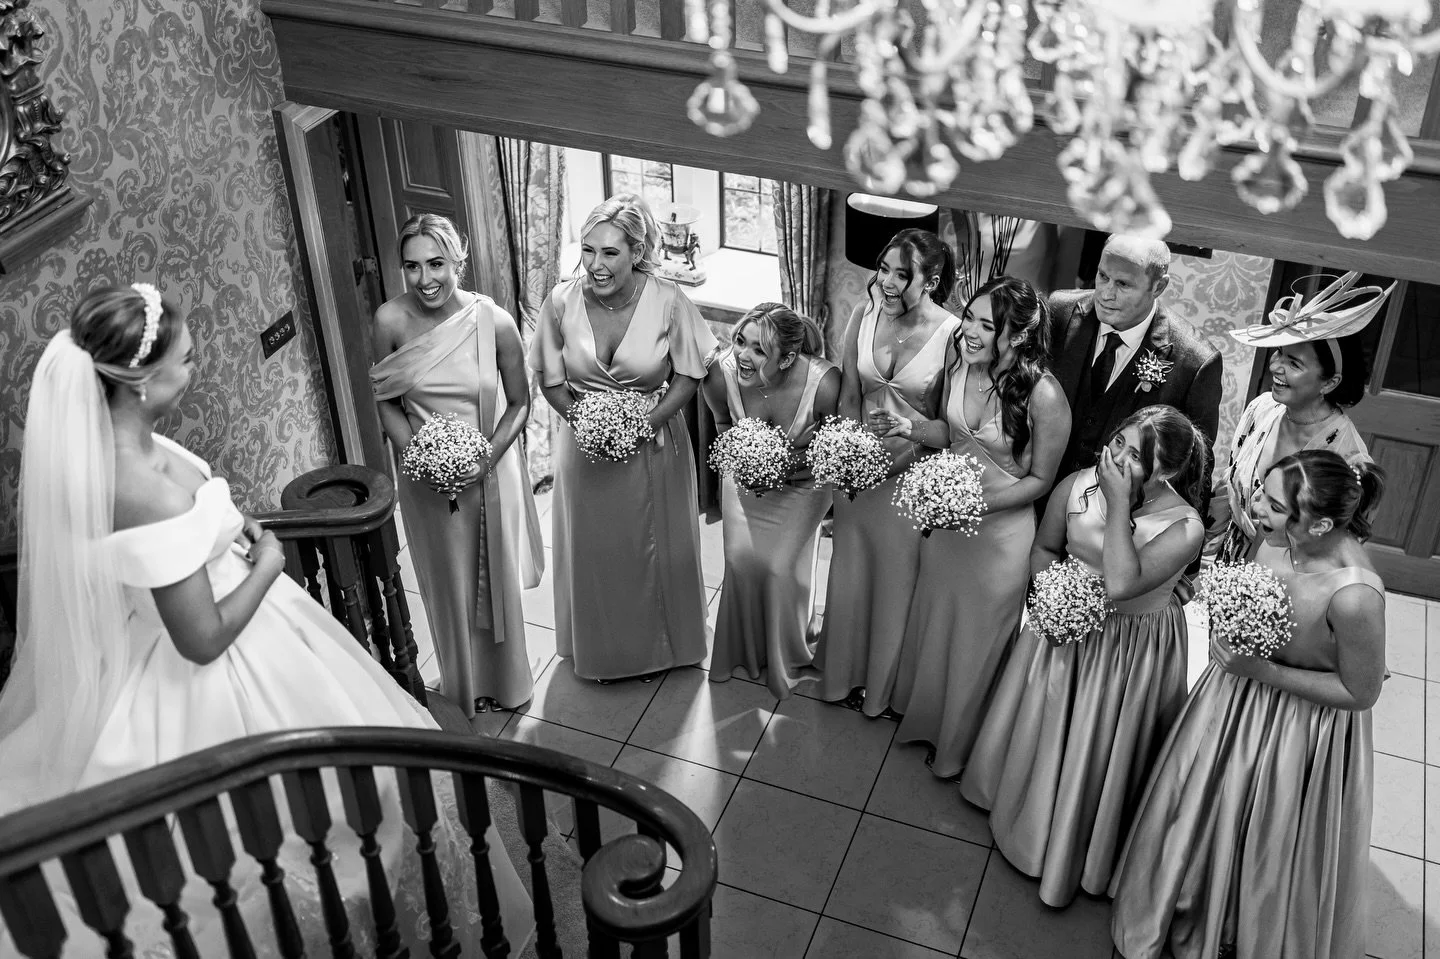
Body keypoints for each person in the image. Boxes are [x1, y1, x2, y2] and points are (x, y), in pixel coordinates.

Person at [0, 284, 534, 956]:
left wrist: (234, 524)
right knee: (328, 818)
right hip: (226, 670)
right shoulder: (138, 488)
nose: (194, 371)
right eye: (185, 362)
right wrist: (268, 560)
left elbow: (191, 521)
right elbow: (201, 637)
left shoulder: (129, 444)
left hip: (258, 624)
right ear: (138, 381)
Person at [1110, 450, 1387, 959]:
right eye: (1261, 490)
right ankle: (1190, 903)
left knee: (1265, 834)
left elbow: (1361, 693)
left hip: (1297, 730)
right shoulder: (1278, 539)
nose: (1255, 507)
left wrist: (1265, 672)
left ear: (1321, 522)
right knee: (1204, 809)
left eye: (1273, 505)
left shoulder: (1355, 596)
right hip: (1232, 697)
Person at [960, 406, 1206, 907]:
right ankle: (1025, 816)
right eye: (1117, 440)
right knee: (1046, 727)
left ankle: (1083, 849)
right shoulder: (1077, 485)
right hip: (1062, 627)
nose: (1115, 458)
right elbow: (1046, 547)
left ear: (1169, 472)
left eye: (1135, 456)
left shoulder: (1186, 527)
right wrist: (1052, 593)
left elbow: (1121, 583)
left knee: (1100, 748)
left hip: (1129, 653)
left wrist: (1118, 504)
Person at [881, 276, 1070, 776]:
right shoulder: (959, 362)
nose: (970, 331)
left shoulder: (1044, 396)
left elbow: (1039, 480)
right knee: (937, 622)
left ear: (1018, 335)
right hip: (948, 526)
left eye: (988, 325)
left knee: (976, 642)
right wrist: (913, 429)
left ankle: (960, 750)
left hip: (999, 539)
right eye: (970, 317)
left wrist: (974, 506)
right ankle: (926, 721)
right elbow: (953, 431)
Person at [529, 193, 717, 682]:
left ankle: (661, 649)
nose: (595, 265)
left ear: (637, 252)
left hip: (655, 445)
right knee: (595, 551)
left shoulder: (670, 301)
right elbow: (551, 382)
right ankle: (601, 651)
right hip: (584, 446)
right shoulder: (560, 302)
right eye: (588, 250)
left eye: (609, 253)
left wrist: (645, 424)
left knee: (651, 549)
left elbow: (689, 375)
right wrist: (585, 422)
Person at [371, 213, 543, 716]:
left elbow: (519, 402)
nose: (426, 279)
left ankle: (508, 684)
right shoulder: (389, 322)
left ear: (458, 261)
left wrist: (484, 458)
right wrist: (422, 457)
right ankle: (460, 688)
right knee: (449, 585)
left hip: (490, 472)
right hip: (426, 479)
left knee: (497, 578)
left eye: (437, 263)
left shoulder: (495, 322)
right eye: (412, 266)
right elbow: (386, 401)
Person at [813, 228, 963, 718]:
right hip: (857, 473)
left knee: (896, 582)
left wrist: (891, 464)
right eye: (885, 269)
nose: (889, 282)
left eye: (904, 274)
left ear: (932, 280)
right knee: (850, 573)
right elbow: (851, 394)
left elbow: (948, 422)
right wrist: (849, 458)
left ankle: (880, 690)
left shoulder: (952, 335)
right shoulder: (864, 312)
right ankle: (841, 676)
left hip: (909, 479)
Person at [701, 303, 840, 699]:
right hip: (744, 478)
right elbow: (724, 427)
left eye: (759, 350)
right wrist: (748, 462)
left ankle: (789, 653)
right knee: (740, 560)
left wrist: (782, 467)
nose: (743, 355)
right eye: (740, 341)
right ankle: (742, 649)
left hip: (806, 485)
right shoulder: (718, 374)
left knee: (780, 567)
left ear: (790, 357)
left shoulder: (825, 382)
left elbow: (831, 451)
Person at [1211, 270, 1389, 563]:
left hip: (1289, 579)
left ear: (1329, 382)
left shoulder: (1347, 460)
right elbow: (1227, 487)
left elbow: (1337, 550)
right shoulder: (1261, 408)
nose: (1276, 367)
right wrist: (1195, 560)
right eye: (1279, 353)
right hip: (1230, 560)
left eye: (1293, 363)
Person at [1047, 235, 1222, 510]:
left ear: (1159, 286)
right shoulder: (1059, 312)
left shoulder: (1194, 362)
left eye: (1123, 284)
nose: (1106, 293)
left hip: (1123, 523)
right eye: (1102, 276)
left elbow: (1196, 471)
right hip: (1040, 505)